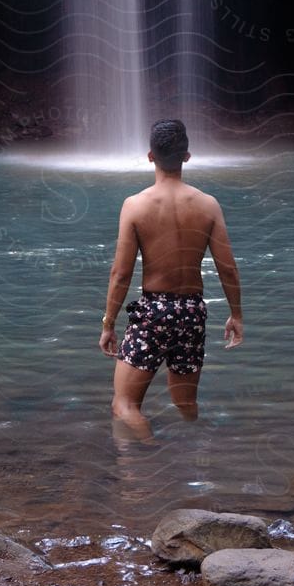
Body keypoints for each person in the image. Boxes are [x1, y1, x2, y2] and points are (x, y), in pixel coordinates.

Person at [99, 118, 243, 437]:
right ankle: (193, 466)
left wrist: (108, 324)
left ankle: (142, 468)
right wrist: (236, 314)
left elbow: (121, 273)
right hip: (192, 312)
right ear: (187, 156)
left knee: (124, 405)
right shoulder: (208, 206)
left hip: (154, 312)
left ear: (150, 156)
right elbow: (228, 268)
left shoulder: (135, 206)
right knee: (185, 405)